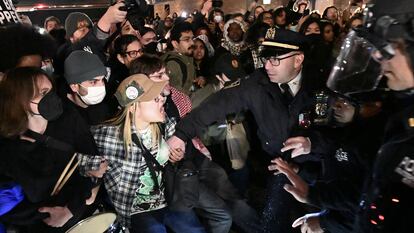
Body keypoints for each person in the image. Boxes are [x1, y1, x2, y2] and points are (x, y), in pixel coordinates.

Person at [274, 0, 414, 232]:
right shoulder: (399, 113)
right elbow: (368, 191)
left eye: (388, 46)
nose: (379, 57)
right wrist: (312, 146)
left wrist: (324, 215)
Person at [167, 28, 324, 233]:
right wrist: (182, 133)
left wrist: (313, 144)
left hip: (320, 169)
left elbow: (342, 135)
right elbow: (219, 103)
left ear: (298, 59)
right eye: (266, 58)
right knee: (274, 222)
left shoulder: (321, 83)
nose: (267, 65)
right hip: (280, 167)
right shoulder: (258, 83)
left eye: (275, 59)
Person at [78, 74, 206, 233]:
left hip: (170, 198)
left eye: (161, 97)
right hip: (136, 209)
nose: (162, 101)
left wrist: (178, 156)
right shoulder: (107, 136)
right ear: (133, 106)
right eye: (155, 99)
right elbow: (76, 160)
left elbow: (180, 153)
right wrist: (92, 168)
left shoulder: (165, 124)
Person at [0, 67, 103, 232]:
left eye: (50, 91)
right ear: (19, 99)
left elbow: (93, 162)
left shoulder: (68, 117)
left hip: (81, 215)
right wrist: (47, 214)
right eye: (42, 93)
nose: (51, 98)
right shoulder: (7, 147)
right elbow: (7, 206)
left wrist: (69, 210)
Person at [63, 50, 117, 125]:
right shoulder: (65, 118)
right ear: (74, 87)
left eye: (102, 80)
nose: (101, 86)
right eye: (93, 82)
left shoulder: (108, 104)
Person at [162, 22, 196, 95]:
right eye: (187, 40)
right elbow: (177, 95)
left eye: (192, 38)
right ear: (175, 44)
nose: (192, 43)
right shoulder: (172, 64)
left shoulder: (187, 59)